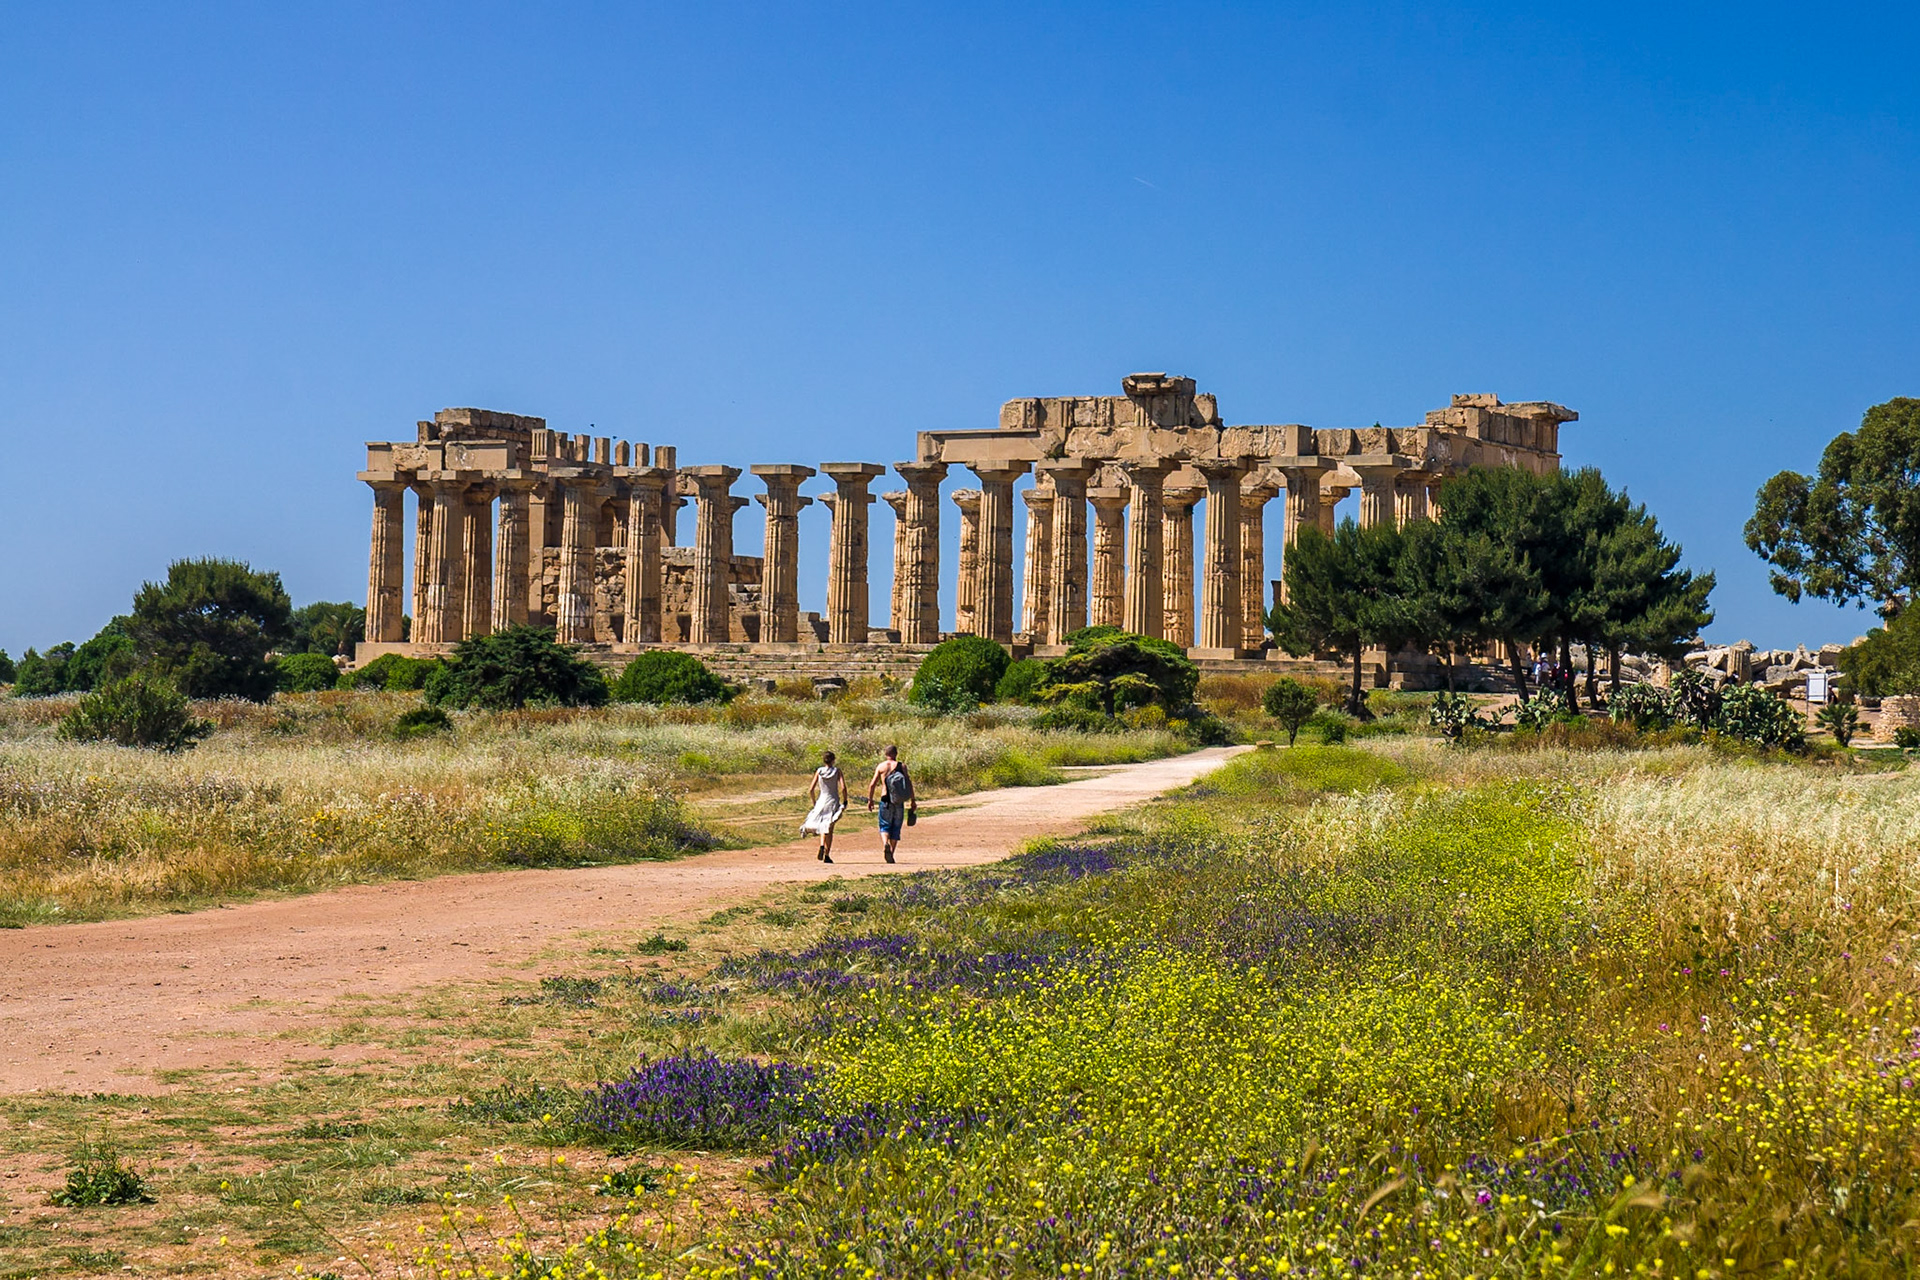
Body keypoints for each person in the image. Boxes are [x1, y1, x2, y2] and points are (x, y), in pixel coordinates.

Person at [866, 744, 916, 864]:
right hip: (898, 800)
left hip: (885, 799)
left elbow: (872, 784)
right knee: (896, 826)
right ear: (896, 754)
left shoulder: (881, 766)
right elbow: (908, 783)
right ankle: (891, 853)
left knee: (884, 825)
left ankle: (885, 843)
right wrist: (913, 800)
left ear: (885, 754)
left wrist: (870, 800)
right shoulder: (901, 766)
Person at [800, 750, 847, 863]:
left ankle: (822, 845)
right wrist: (845, 800)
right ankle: (827, 854)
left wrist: (814, 802)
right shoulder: (837, 771)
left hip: (821, 800)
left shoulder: (819, 771)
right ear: (833, 760)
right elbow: (843, 788)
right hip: (832, 800)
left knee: (822, 825)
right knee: (829, 827)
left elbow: (811, 789)